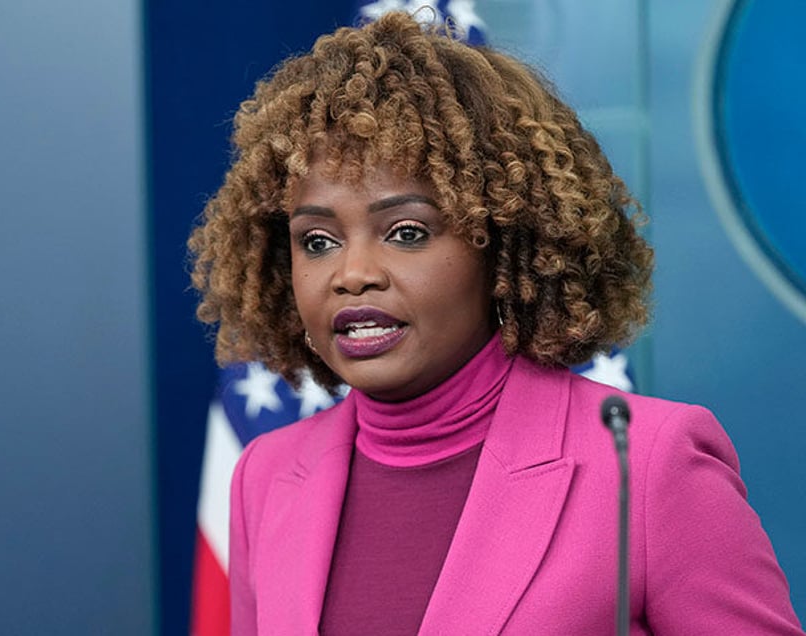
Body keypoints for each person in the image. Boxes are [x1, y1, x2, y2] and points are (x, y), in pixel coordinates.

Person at [187, 11, 803, 635]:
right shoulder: (265, 476)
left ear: (502, 245)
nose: (352, 274)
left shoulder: (647, 468)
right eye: (316, 241)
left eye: (406, 232)